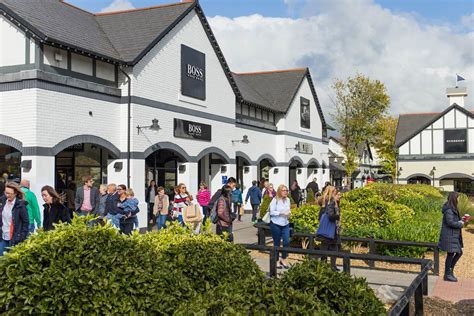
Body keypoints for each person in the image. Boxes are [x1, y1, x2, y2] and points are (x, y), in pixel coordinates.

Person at [438, 192, 467, 282]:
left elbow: (453, 220)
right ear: (454, 199)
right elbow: (450, 222)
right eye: (457, 198)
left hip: (453, 235)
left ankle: (449, 271)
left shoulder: (452, 208)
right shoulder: (449, 210)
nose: (458, 200)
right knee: (451, 254)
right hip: (449, 236)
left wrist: (462, 219)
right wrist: (460, 224)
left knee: (458, 253)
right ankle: (447, 274)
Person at [0, 182, 29, 255]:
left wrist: (21, 237)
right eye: (6, 193)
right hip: (3, 237)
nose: (7, 195)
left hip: (15, 238)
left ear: (15, 193)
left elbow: (26, 222)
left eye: (9, 193)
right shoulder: (2, 201)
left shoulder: (21, 205)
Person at [318, 186, 341, 271]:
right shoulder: (331, 202)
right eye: (336, 193)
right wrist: (337, 216)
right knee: (331, 247)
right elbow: (331, 216)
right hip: (330, 228)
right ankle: (331, 266)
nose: (339, 195)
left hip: (328, 228)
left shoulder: (325, 202)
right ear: (332, 193)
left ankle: (325, 266)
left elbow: (320, 216)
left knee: (327, 247)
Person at [269, 184, 292, 269]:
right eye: (283, 190)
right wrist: (281, 213)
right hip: (276, 223)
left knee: (286, 241)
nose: (285, 192)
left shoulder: (288, 200)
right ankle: (276, 260)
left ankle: (284, 258)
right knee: (277, 243)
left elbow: (288, 210)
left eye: (286, 190)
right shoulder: (275, 200)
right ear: (279, 191)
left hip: (285, 223)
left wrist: (289, 213)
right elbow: (271, 212)